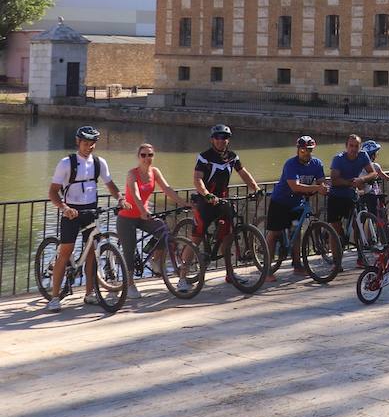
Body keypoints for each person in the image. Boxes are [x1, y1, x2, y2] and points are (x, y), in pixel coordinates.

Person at [45, 126, 127, 312]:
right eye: (85, 143)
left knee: (92, 253)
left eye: (92, 144)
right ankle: (54, 297)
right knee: (66, 251)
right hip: (71, 212)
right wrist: (64, 208)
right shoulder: (66, 163)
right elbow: (52, 191)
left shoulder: (99, 163)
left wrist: (121, 198)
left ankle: (90, 294)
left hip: (90, 211)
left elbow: (110, 185)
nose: (88, 147)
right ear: (78, 142)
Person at [188, 124, 261, 279]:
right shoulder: (204, 157)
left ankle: (230, 274)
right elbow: (197, 179)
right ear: (212, 140)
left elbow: (243, 173)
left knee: (227, 238)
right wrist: (207, 195)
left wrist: (256, 188)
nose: (221, 141)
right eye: (218, 138)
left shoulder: (232, 157)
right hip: (205, 201)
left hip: (223, 201)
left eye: (225, 138)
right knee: (197, 237)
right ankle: (182, 276)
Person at [118, 142, 189, 299]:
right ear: (138, 157)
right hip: (127, 217)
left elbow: (167, 189)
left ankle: (155, 261)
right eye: (143, 155)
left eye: (150, 155)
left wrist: (184, 203)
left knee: (162, 229)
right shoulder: (132, 174)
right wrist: (143, 210)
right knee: (129, 250)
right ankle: (130, 284)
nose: (147, 158)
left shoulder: (154, 172)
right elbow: (135, 194)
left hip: (144, 215)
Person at [263, 136, 330, 281]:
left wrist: (324, 188)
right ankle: (267, 270)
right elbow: (295, 186)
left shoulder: (317, 164)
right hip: (280, 201)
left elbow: (321, 182)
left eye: (309, 150)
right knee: (274, 233)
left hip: (297, 202)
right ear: (298, 150)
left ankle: (297, 264)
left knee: (297, 231)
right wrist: (317, 188)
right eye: (303, 149)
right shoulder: (290, 164)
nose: (306, 152)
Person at [329, 134, 379, 266]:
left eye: (356, 146)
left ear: (360, 147)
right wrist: (351, 183)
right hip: (336, 195)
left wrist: (362, 179)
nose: (353, 149)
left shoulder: (363, 156)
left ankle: (360, 257)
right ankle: (336, 262)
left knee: (358, 226)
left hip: (351, 195)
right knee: (335, 229)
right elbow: (334, 179)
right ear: (346, 147)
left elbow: (373, 173)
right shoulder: (338, 159)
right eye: (351, 146)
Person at [359, 141, 389, 219]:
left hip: (360, 194)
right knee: (375, 217)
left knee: (362, 217)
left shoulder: (358, 165)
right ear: (372, 155)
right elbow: (386, 177)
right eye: (376, 153)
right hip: (371, 194)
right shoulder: (375, 166)